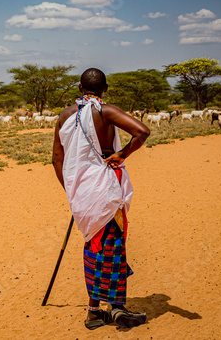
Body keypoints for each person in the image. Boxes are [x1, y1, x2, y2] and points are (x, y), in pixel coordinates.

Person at [52, 68, 150, 330]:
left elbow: (57, 159)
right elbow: (142, 131)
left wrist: (75, 192)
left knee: (94, 247)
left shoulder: (64, 116)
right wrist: (122, 154)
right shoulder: (105, 111)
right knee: (113, 245)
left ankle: (95, 311)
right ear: (105, 89)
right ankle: (117, 310)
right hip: (105, 190)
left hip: (81, 194)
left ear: (80, 89)